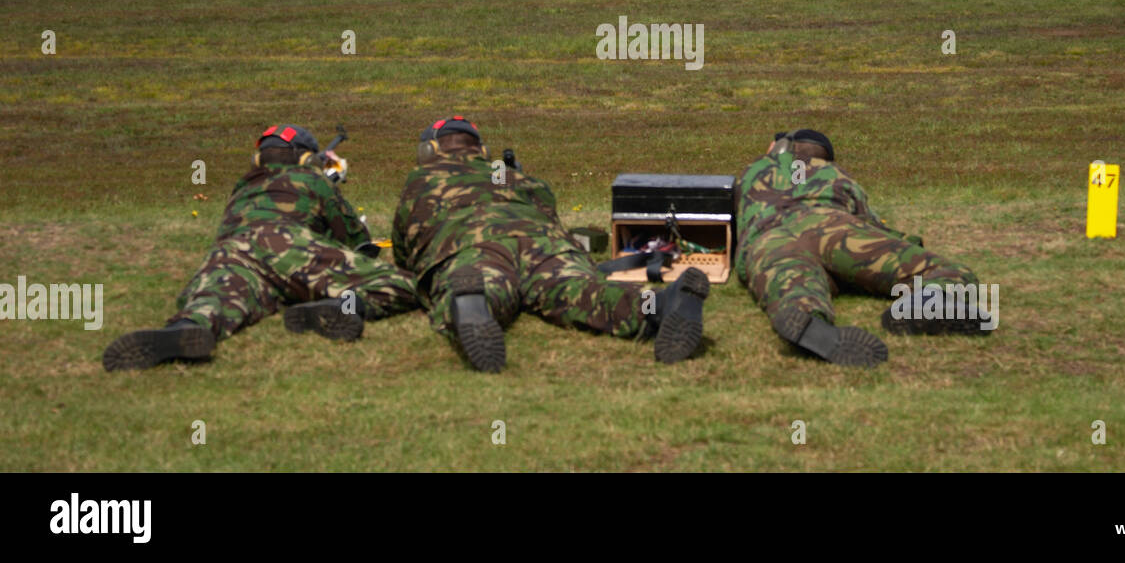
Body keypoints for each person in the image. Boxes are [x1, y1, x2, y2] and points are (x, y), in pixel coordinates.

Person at [391, 116, 709, 372]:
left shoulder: (421, 179)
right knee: (581, 290)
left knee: (486, 285)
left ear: (430, 150)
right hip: (545, 245)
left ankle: (472, 302)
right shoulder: (514, 177)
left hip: (473, 247)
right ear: (482, 150)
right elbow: (548, 210)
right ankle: (659, 305)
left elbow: (404, 250)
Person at [102, 124, 420, 371]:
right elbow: (356, 240)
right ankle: (344, 306)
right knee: (404, 284)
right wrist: (330, 182)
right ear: (307, 158)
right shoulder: (313, 180)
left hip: (232, 251)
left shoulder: (243, 186)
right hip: (287, 244)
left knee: (220, 298)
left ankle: (190, 326)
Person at [736, 129, 987, 368]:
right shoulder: (837, 174)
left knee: (789, 283)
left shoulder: (751, 171)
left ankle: (806, 318)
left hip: (770, 238)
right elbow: (869, 224)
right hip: (832, 226)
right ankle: (928, 299)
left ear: (779, 147)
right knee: (943, 271)